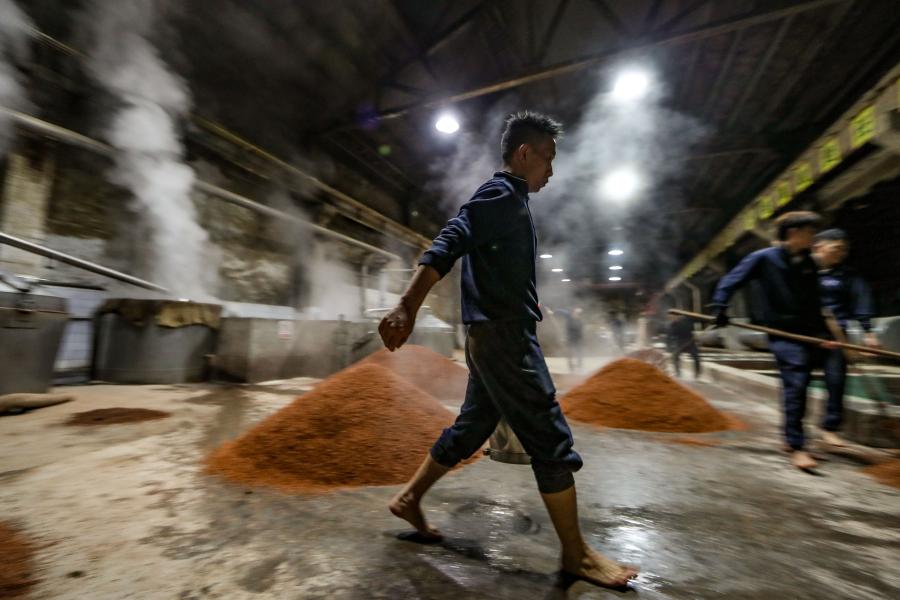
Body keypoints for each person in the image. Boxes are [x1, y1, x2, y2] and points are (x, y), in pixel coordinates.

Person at [378, 111, 637, 587]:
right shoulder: (501, 195)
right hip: (503, 339)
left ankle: (410, 498)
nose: (551, 171)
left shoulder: (512, 201)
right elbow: (450, 239)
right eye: (549, 159)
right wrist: (406, 305)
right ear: (524, 153)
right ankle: (575, 555)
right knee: (550, 438)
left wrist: (528, 302)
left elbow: (490, 265)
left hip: (494, 333)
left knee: (473, 425)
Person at [710, 211, 835, 471]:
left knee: (819, 377)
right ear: (793, 233)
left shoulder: (808, 264)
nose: (814, 238)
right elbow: (731, 280)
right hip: (781, 333)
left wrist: (824, 335)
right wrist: (721, 307)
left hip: (808, 332)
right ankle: (797, 446)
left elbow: (814, 302)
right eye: (810, 232)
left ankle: (795, 438)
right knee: (796, 381)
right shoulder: (764, 259)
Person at [812, 228, 879, 447]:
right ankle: (794, 430)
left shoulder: (848, 276)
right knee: (797, 381)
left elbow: (862, 301)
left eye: (844, 250)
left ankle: (830, 428)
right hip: (804, 335)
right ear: (819, 246)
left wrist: (868, 333)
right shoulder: (801, 272)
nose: (841, 254)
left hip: (836, 336)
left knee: (836, 380)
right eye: (837, 248)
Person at [547, 306, 585, 372]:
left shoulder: (580, 322)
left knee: (579, 352)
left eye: (578, 313)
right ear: (573, 312)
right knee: (569, 353)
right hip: (569, 339)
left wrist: (581, 340)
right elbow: (561, 311)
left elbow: (580, 333)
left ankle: (579, 365)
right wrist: (553, 312)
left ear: (580, 315)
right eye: (575, 312)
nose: (575, 314)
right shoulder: (569, 316)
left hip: (577, 340)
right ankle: (571, 367)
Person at [665, 313, 700, 379]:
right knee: (675, 356)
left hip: (690, 342)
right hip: (681, 342)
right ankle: (678, 373)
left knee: (696, 357)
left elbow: (692, 330)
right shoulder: (674, 324)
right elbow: (672, 334)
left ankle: (697, 374)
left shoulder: (687, 321)